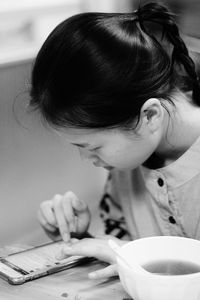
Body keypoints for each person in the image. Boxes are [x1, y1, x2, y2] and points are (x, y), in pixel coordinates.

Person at [30, 2, 200, 279]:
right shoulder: (130, 162)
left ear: (150, 116)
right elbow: (123, 253)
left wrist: (134, 258)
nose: (89, 160)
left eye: (93, 147)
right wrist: (83, 239)